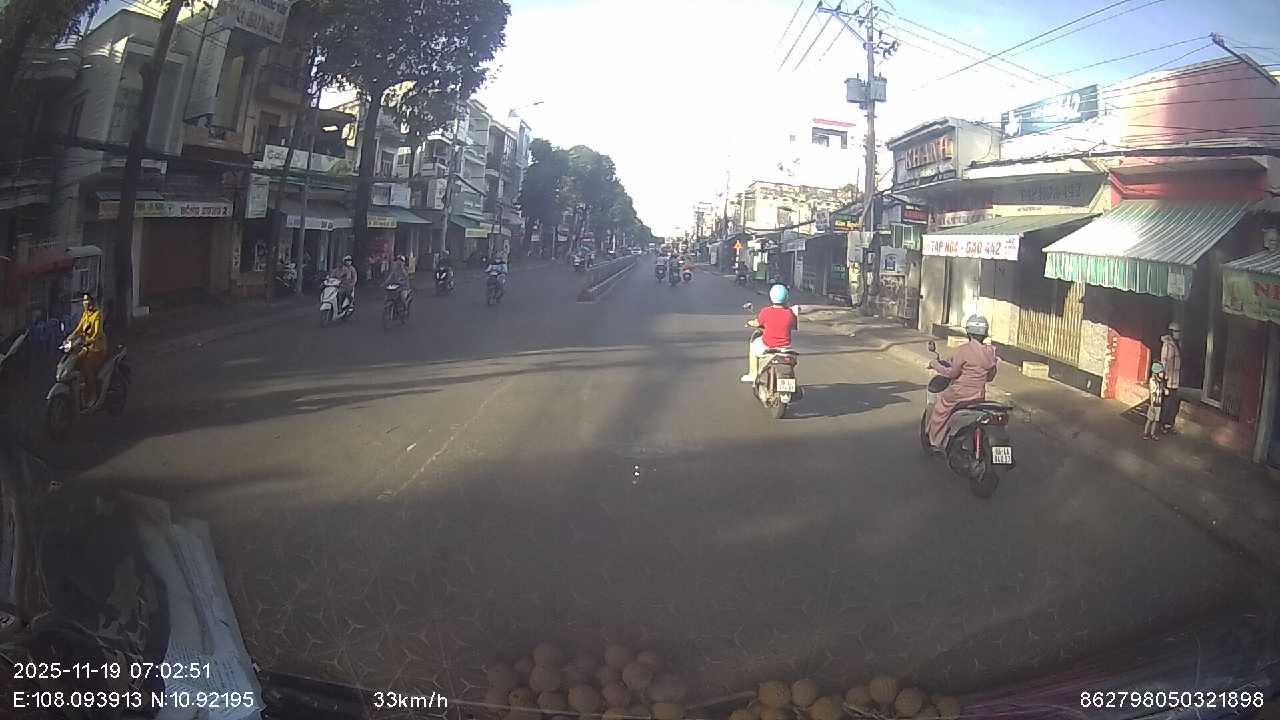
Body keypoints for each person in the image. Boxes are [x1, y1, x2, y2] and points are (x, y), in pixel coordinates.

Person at [926, 315, 998, 452]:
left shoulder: (963, 350)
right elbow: (990, 377)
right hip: (978, 395)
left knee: (940, 407)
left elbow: (952, 374)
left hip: (959, 394)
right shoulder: (990, 352)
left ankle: (935, 442)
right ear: (985, 334)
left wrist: (935, 365)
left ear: (968, 332)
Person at [742, 284, 799, 383]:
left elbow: (757, 323)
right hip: (786, 348)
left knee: (753, 345)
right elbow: (794, 326)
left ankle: (753, 375)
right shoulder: (790, 313)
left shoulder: (766, 312)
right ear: (786, 297)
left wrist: (749, 322)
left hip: (768, 346)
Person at [68, 292, 107, 407]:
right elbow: (78, 330)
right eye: (84, 300)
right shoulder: (85, 315)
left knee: (86, 367)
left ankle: (93, 394)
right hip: (86, 347)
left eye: (87, 300)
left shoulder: (97, 315)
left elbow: (97, 333)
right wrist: (69, 338)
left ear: (92, 302)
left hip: (97, 348)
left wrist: (88, 341)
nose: (85, 302)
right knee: (75, 362)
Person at [1160, 322, 1182, 433]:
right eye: (1177, 331)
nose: (1179, 334)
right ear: (1171, 332)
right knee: (1167, 403)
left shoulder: (1175, 344)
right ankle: (1163, 424)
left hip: (1174, 380)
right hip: (1169, 380)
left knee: (1172, 403)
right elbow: (1164, 363)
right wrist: (1163, 380)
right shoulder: (1168, 346)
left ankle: (1167, 423)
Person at [1144, 361, 1168, 441]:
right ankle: (1145, 433)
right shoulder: (1153, 381)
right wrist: (1152, 405)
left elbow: (1161, 388)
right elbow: (1152, 393)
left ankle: (1152, 434)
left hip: (1159, 403)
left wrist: (1164, 389)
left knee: (1156, 420)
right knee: (1150, 419)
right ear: (1156, 373)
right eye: (1161, 372)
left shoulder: (1160, 381)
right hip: (1153, 403)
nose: (1162, 374)